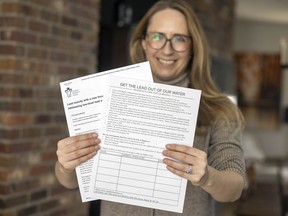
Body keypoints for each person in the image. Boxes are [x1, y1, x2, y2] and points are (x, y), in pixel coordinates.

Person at [55, 0, 246, 215]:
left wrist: (207, 177)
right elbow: (70, 181)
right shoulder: (108, 94)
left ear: (192, 46)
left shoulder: (219, 109)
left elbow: (234, 188)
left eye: (179, 39)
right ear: (144, 43)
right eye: (157, 37)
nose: (167, 49)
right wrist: (65, 165)